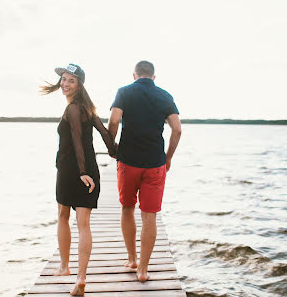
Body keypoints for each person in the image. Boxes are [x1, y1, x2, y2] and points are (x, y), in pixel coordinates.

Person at [40, 63, 116, 296]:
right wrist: (116, 153)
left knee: (64, 216)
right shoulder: (88, 108)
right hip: (90, 170)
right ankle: (80, 278)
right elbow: (105, 134)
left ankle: (65, 267)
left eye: (70, 80)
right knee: (84, 225)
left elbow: (75, 140)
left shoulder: (73, 108)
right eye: (63, 79)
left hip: (72, 171)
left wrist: (81, 172)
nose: (65, 84)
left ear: (79, 84)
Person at [108, 60, 182, 282]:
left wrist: (112, 147)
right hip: (155, 163)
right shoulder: (165, 96)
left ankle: (132, 259)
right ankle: (143, 270)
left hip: (128, 161)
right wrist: (168, 157)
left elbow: (113, 120)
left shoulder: (124, 92)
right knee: (150, 217)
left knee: (127, 208)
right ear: (154, 77)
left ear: (134, 75)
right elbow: (177, 129)